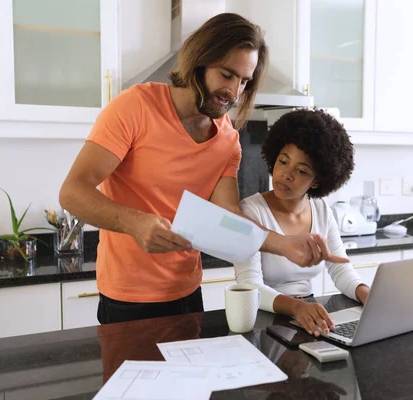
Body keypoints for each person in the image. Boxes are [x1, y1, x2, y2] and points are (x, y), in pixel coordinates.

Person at [58, 13, 347, 324]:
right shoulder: (134, 107)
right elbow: (73, 192)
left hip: (188, 293)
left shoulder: (227, 141)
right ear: (198, 61)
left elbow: (228, 219)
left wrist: (284, 244)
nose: (235, 92)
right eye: (227, 75)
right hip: (128, 297)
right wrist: (134, 223)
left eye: (244, 81)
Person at [234, 109, 371, 337]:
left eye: (301, 170)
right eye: (283, 161)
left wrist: (365, 292)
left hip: (309, 316)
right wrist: (297, 307)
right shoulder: (251, 210)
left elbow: (340, 268)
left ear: (317, 182)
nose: (286, 174)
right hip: (266, 319)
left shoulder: (321, 210)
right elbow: (251, 286)